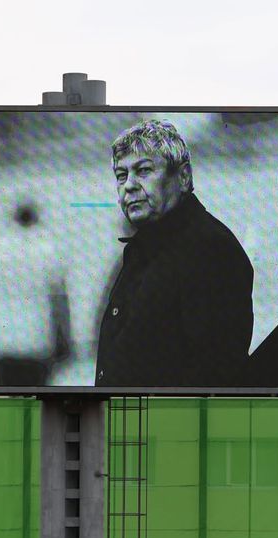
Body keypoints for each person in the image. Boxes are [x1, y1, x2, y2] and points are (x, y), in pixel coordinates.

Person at [95, 119, 254, 388]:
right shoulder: (147, 247)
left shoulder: (209, 249)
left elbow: (215, 373)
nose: (129, 186)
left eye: (143, 171)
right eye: (121, 175)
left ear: (182, 177)